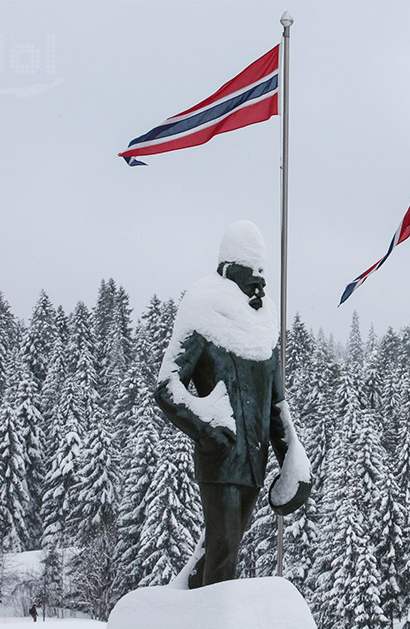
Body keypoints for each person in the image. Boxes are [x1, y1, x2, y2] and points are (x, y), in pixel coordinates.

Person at [156, 221, 310, 589]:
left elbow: (275, 405)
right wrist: (209, 429)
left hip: (253, 464)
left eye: (262, 276)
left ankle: (179, 603)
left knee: (220, 551)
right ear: (229, 270)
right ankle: (210, 618)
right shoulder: (203, 307)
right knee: (224, 558)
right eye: (251, 276)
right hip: (220, 460)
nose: (259, 284)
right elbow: (166, 387)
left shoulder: (263, 323)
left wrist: (291, 459)